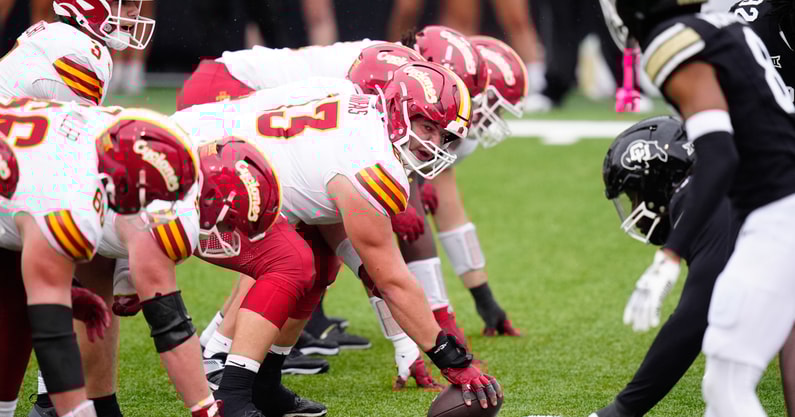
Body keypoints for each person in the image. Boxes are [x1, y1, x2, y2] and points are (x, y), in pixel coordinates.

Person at [173, 61, 502, 416]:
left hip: (205, 147)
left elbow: (325, 208)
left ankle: (264, 384)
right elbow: (393, 282)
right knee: (291, 262)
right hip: (189, 167)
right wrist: (450, 358)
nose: (434, 143)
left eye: (444, 135)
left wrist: (369, 275)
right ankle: (233, 393)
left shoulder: (354, 101)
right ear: (399, 110)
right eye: (428, 127)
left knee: (318, 259)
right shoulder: (374, 163)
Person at [600, 1, 795, 416]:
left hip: (779, 206)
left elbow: (719, 154)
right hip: (778, 196)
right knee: (726, 380)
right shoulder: (721, 24)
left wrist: (671, 254)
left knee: (728, 383)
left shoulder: (670, 41)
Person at [0, 97, 200, 417]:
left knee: (15, 299)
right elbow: (53, 337)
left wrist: (63, 290)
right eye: (149, 199)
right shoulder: (72, 205)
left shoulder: (95, 134)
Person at [590, 115, 734, 416]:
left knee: (725, 382)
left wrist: (623, 409)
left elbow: (696, 316)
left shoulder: (700, 199)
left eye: (634, 195)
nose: (634, 210)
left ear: (657, 181)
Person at [0, 0, 155, 104]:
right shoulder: (81, 53)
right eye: (123, 3)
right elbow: (83, 134)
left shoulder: (51, 32)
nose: (135, 11)